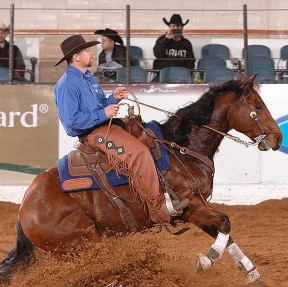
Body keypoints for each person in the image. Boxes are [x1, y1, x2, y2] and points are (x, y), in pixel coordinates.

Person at [54, 35, 189, 224]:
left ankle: (164, 191)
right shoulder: (67, 84)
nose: (91, 52)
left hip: (106, 125)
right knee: (140, 153)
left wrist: (113, 98)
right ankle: (158, 210)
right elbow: (71, 122)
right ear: (76, 57)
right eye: (86, 50)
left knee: (148, 134)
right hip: (94, 133)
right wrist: (103, 114)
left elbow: (100, 104)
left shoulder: (87, 78)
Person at [152, 14, 195, 82]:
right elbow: (158, 54)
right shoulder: (161, 40)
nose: (175, 28)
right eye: (173, 26)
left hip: (181, 77)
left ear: (182, 28)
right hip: (162, 75)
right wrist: (166, 39)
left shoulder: (186, 43)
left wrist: (181, 72)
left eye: (178, 26)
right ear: (169, 27)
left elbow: (191, 62)